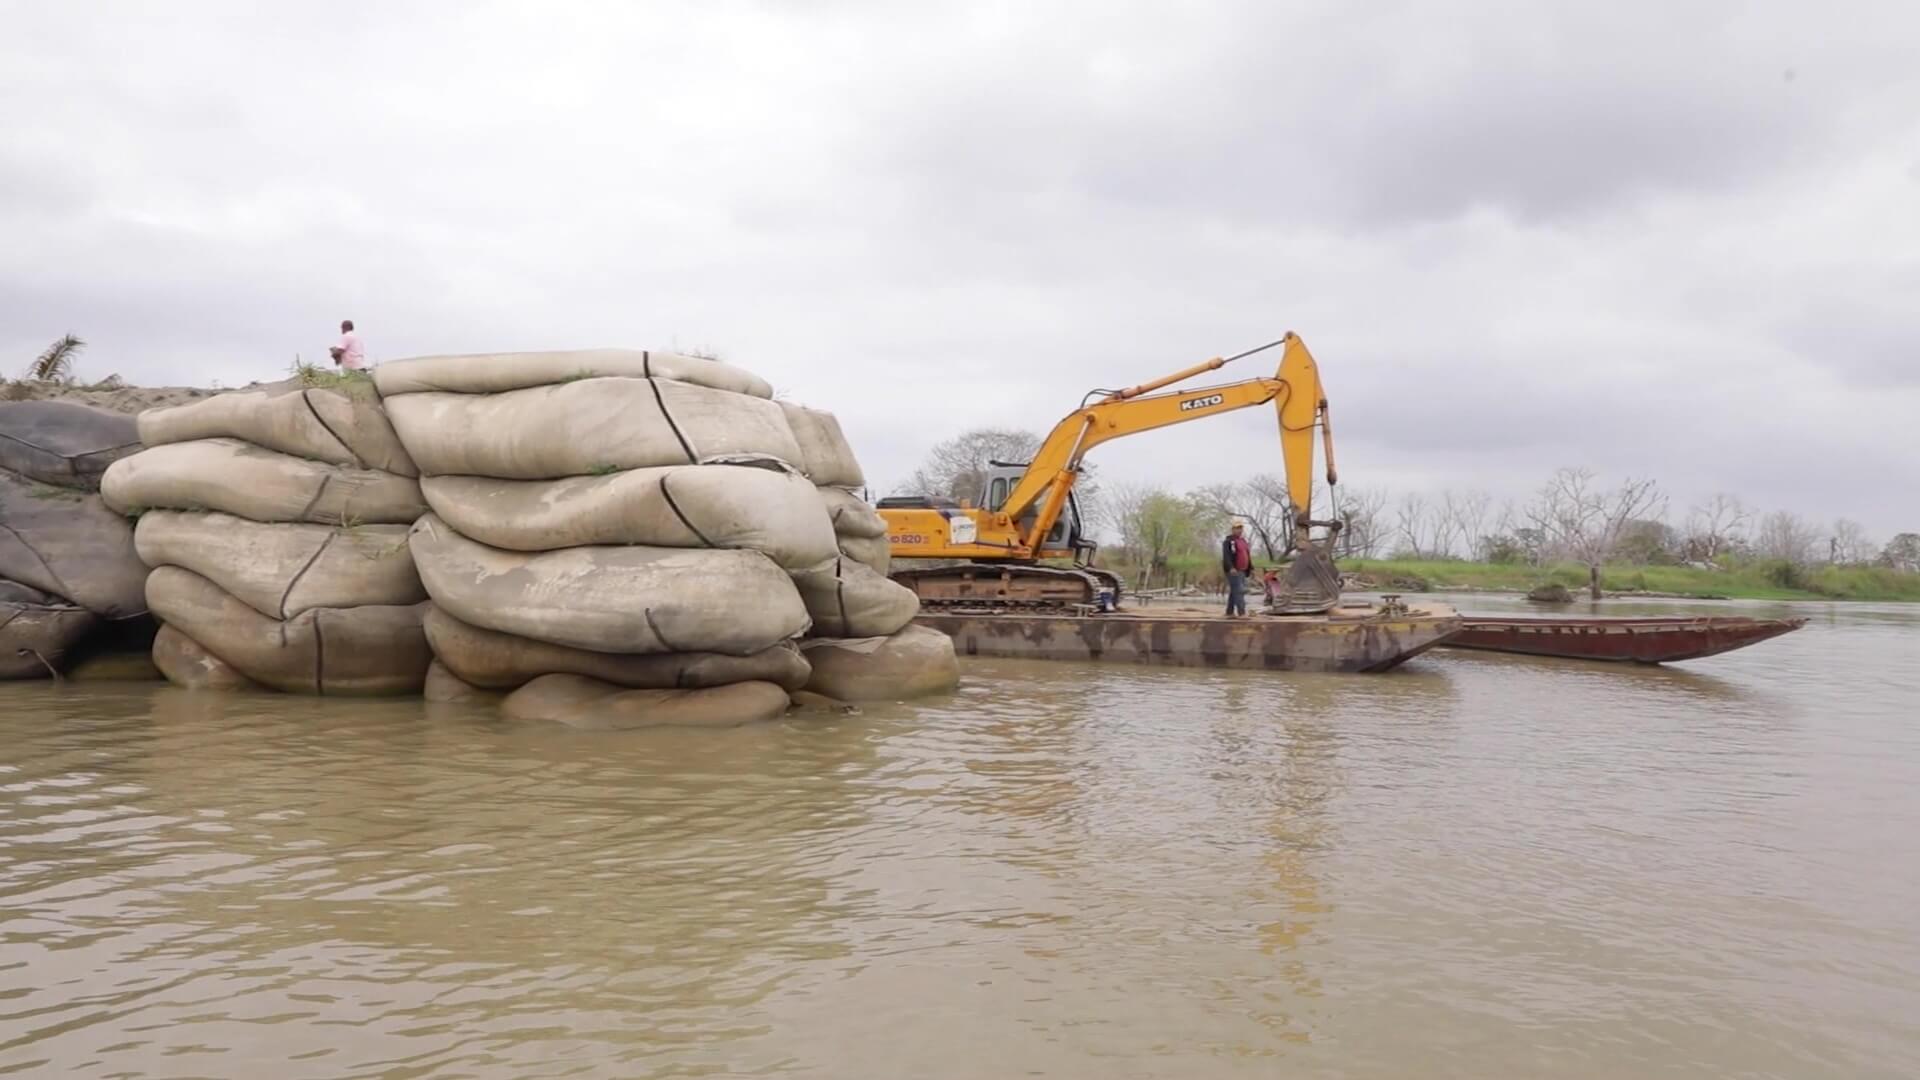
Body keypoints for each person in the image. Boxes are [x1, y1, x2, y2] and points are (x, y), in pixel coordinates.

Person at [1221, 519, 1253, 616]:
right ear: (1232, 529)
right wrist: (1231, 567)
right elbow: (1226, 556)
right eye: (1237, 528)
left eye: (1240, 528)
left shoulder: (1243, 541)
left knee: (1234, 591)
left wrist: (1251, 568)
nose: (1239, 530)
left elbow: (1247, 555)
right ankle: (1241, 612)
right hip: (1234, 570)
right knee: (1239, 591)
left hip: (1243, 570)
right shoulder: (1228, 542)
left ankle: (1229, 612)